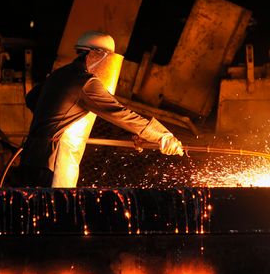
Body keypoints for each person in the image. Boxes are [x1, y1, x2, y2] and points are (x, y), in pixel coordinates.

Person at [16, 30, 184, 187]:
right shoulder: (85, 81)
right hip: (52, 161)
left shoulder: (59, 74)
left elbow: (31, 99)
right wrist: (161, 136)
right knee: (56, 211)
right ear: (96, 54)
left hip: (30, 156)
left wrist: (53, 122)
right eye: (107, 58)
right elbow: (118, 112)